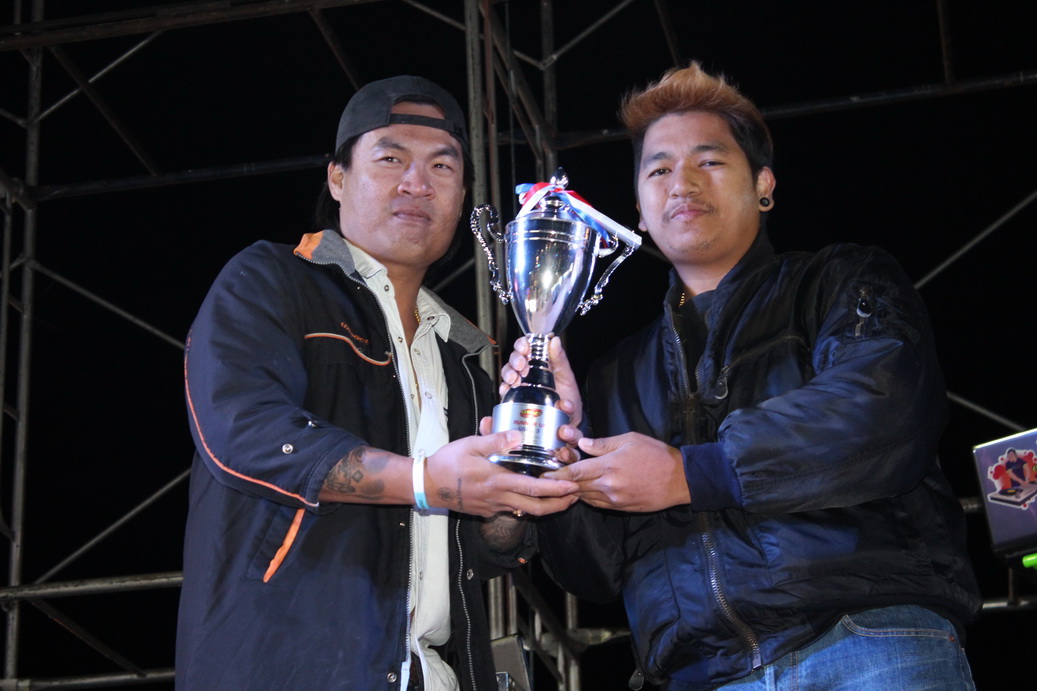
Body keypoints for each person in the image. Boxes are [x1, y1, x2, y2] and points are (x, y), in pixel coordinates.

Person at [503, 63, 982, 689]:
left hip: (866, 640)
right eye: (659, 170)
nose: (683, 183)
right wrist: (559, 450)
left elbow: (882, 411)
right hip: (698, 673)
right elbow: (592, 572)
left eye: (709, 161)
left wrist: (688, 474)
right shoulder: (614, 374)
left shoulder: (837, 281)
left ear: (763, 185)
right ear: (640, 211)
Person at [176, 75, 578, 690]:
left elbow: (485, 549)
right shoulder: (269, 280)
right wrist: (425, 480)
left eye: (442, 166)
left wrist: (527, 471)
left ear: (462, 197)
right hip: (289, 670)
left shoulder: (465, 357)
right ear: (337, 178)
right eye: (391, 159)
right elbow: (243, 430)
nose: (417, 183)